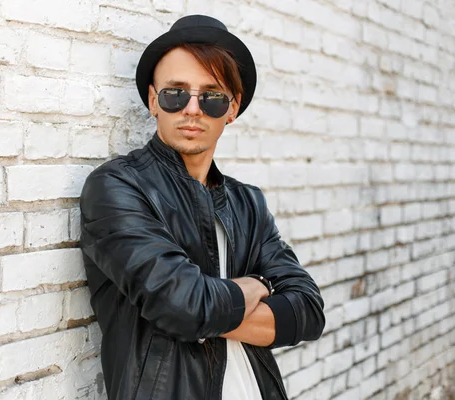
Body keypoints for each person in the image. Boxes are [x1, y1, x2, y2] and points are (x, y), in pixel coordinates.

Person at [80, 15, 325, 400]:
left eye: (211, 97)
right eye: (175, 94)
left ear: (232, 107)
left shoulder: (248, 203)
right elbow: (185, 308)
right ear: (152, 100)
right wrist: (258, 285)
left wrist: (207, 309)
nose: (192, 109)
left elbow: (307, 312)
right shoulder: (118, 187)